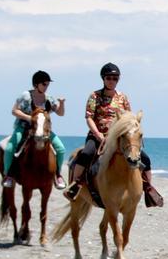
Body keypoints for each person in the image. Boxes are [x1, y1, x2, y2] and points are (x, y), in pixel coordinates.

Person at [64, 63, 162, 206]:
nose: (112, 80)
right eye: (109, 77)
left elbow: (129, 117)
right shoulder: (94, 96)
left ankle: (148, 188)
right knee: (86, 154)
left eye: (115, 78)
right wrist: (98, 134)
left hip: (118, 137)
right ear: (103, 79)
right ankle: (76, 184)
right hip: (98, 136)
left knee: (145, 159)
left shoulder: (123, 97)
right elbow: (89, 117)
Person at [3, 70, 67, 189]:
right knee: (10, 147)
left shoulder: (49, 99)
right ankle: (9, 175)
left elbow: (61, 113)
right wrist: (30, 118)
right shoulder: (25, 96)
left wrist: (62, 104)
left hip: (43, 129)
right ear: (36, 84)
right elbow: (14, 110)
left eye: (47, 84)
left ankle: (57, 175)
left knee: (61, 148)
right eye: (44, 84)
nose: (46, 86)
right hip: (24, 127)